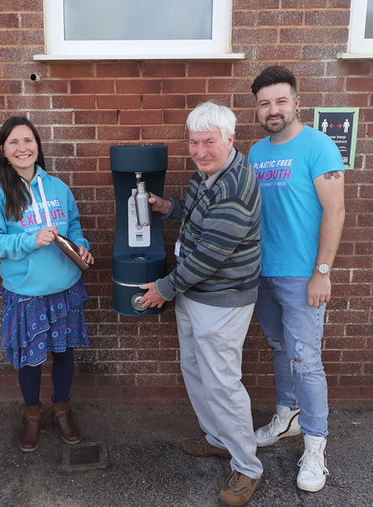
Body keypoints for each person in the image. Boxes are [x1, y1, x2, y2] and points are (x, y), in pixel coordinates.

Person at [139, 101, 263, 506]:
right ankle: (218, 439)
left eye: (209, 142)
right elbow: (195, 217)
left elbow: (211, 254)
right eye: (193, 142)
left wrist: (164, 288)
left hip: (222, 300)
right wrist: (166, 207)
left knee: (223, 384)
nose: (199, 150)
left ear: (230, 139)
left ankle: (247, 468)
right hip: (195, 295)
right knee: (195, 368)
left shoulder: (236, 186)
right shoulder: (207, 174)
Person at [248, 66, 345, 493]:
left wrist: (322, 271)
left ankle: (315, 446)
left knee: (306, 359)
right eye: (265, 103)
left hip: (303, 275)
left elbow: (335, 211)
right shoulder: (254, 153)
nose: (273, 109)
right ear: (257, 109)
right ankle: (286, 417)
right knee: (279, 347)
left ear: (296, 103)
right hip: (261, 273)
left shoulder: (318, 146)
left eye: (280, 101)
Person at [0, 116, 94, 453]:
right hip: (26, 293)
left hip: (65, 287)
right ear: (3, 150)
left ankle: (62, 410)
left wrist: (80, 244)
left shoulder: (57, 187)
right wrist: (29, 240)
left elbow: (72, 224)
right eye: (14, 142)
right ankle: (31, 417)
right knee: (30, 360)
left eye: (28, 141)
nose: (22, 148)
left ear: (38, 146)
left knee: (64, 355)